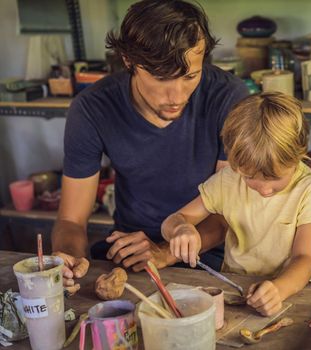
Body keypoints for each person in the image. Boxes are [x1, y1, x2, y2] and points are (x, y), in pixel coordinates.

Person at [51, 0, 248, 294]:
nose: (177, 95)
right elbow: (70, 220)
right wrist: (68, 257)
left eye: (190, 76)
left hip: (208, 254)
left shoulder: (228, 97)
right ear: (129, 60)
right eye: (161, 78)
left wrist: (165, 252)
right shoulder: (93, 108)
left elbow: (225, 215)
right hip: (129, 252)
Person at [161, 92, 311, 316]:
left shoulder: (309, 189)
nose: (264, 189)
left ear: (298, 156)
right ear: (234, 161)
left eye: (274, 179)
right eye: (250, 177)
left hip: (289, 291)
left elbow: (305, 259)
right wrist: (181, 228)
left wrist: (279, 289)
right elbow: (173, 221)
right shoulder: (228, 180)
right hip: (234, 287)